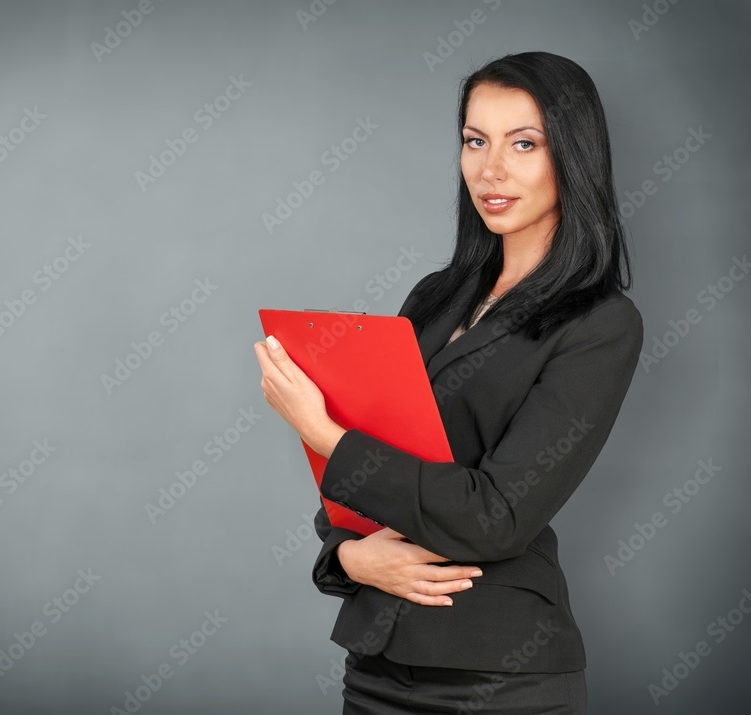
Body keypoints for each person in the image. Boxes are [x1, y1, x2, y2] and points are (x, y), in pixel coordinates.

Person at [253, 51, 643, 714]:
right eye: (474, 141)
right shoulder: (434, 298)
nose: (490, 170)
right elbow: (369, 469)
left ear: (573, 157)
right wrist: (346, 557)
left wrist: (321, 427)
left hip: (499, 677)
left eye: (524, 143)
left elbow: (496, 515)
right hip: (376, 664)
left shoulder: (601, 323)